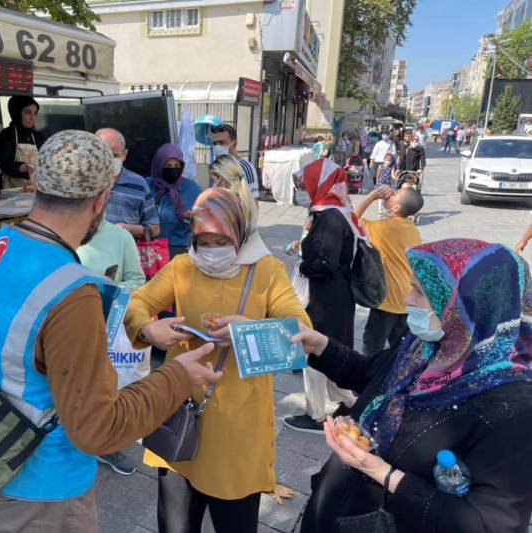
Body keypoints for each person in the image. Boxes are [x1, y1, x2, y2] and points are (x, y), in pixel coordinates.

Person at [0, 130, 222, 533]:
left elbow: (19, 343)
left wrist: (141, 332)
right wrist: (178, 376)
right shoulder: (72, 290)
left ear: (36, 184)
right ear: (101, 200)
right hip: (45, 492)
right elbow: (99, 429)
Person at [295, 238, 532, 532]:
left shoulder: (513, 407)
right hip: (336, 508)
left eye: (420, 292)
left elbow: (490, 524)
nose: (407, 299)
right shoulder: (429, 343)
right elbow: (372, 373)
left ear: (468, 305)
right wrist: (320, 346)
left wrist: (382, 472)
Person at [124, 187, 311, 533]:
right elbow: (136, 304)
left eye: (220, 241)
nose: (210, 252)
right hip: (179, 414)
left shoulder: (266, 271)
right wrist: (150, 331)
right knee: (176, 524)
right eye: (202, 242)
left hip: (239, 426)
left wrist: (249, 331)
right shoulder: (182, 267)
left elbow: (301, 331)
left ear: (240, 233)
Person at [283, 158, 361, 434]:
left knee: (312, 353)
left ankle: (315, 415)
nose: (300, 191)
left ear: (320, 184)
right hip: (332, 296)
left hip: (326, 298)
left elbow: (324, 263)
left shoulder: (328, 217)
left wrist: (304, 265)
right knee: (325, 352)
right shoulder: (331, 211)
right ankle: (351, 401)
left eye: (303, 185)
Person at [77, 217, 146, 476]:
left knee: (107, 385)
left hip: (109, 324)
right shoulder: (59, 234)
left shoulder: (120, 237)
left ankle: (107, 443)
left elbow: (137, 280)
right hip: (67, 326)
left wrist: (109, 289)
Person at [354, 187, 424, 354]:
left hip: (387, 298)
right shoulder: (412, 229)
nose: (390, 193)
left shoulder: (384, 228)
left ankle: (370, 377)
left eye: (395, 194)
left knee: (372, 346)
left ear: (396, 208)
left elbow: (352, 220)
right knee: (399, 347)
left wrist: (371, 196)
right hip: (407, 297)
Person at [96, 128, 160, 240]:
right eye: (104, 154)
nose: (109, 160)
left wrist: (127, 228)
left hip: (125, 254)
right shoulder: (83, 183)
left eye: (115, 155)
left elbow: (154, 229)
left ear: (124, 154)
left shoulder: (138, 184)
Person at [147, 144, 202, 258]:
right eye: (168, 165)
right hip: (149, 253)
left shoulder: (192, 188)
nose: (173, 169)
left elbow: (205, 219)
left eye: (176, 165)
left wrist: (193, 218)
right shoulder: (147, 186)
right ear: (159, 165)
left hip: (178, 252)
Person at [0, 95, 46, 189]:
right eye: (28, 113)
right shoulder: (7, 135)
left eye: (35, 113)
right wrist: (26, 167)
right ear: (17, 113)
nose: (33, 118)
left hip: (35, 188)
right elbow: (5, 164)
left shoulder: (38, 137)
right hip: (11, 189)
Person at [211, 124, 259, 201]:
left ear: (234, 144)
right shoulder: (217, 167)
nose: (217, 147)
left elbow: (254, 205)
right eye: (214, 143)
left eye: (221, 142)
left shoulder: (246, 168)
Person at [209, 154, 259, 222]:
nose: (213, 185)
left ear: (223, 180)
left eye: (213, 180)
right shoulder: (245, 201)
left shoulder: (226, 207)